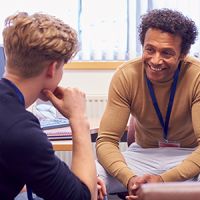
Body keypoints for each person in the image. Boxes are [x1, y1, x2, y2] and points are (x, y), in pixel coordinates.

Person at [0, 12, 107, 200]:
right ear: (52, 68)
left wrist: (67, 180)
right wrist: (78, 118)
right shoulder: (22, 132)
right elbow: (83, 197)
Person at [96, 8, 200, 199]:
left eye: (167, 53)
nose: (155, 60)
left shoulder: (197, 76)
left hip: (189, 157)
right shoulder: (126, 75)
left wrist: (162, 181)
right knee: (90, 173)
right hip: (142, 156)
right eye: (149, 49)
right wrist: (130, 179)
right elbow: (106, 141)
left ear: (183, 54)